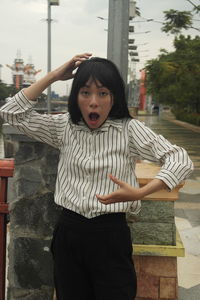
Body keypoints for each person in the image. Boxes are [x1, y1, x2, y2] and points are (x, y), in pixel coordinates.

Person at [0, 53, 193, 300]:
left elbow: (179, 158)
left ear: (114, 98)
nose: (94, 102)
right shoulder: (64, 127)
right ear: (76, 96)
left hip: (110, 235)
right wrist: (55, 76)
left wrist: (141, 192)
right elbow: (11, 113)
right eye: (85, 92)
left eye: (103, 93)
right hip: (69, 232)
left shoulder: (129, 130)